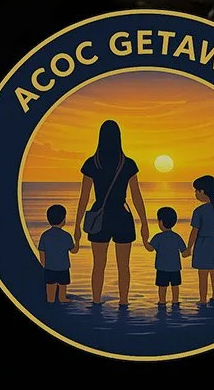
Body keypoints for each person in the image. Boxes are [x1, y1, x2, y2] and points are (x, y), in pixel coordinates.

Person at [72, 119, 149, 307]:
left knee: (98, 265)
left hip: (99, 217)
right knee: (124, 266)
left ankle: (96, 301)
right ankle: (123, 302)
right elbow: (136, 197)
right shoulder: (127, 164)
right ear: (119, 138)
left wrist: (77, 226)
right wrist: (145, 224)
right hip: (122, 217)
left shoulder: (92, 163)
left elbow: (83, 198)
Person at [186, 177, 214, 304]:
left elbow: (194, 232)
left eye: (196, 191)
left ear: (203, 191)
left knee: (203, 275)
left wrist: (189, 248)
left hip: (202, 244)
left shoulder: (199, 211)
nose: (195, 194)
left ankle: (203, 300)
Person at [147, 206, 187, 306]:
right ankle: (175, 301)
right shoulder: (177, 236)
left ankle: (162, 301)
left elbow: (150, 248)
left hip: (162, 268)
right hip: (175, 268)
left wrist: (144, 240)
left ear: (160, 222)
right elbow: (184, 252)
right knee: (175, 286)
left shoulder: (158, 237)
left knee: (162, 287)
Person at [37, 203, 76, 304]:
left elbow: (42, 251)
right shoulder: (67, 236)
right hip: (63, 267)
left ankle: (50, 301)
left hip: (49, 267)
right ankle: (63, 299)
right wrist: (78, 241)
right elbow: (73, 250)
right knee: (63, 288)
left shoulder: (45, 235)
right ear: (63, 220)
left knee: (50, 289)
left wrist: (44, 264)